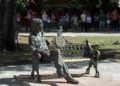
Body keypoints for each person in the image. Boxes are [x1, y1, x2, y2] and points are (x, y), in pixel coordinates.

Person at [29, 18, 79, 84]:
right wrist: (39, 51)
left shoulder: (42, 33)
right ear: (36, 26)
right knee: (57, 53)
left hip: (48, 54)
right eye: (41, 24)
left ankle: (63, 73)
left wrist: (51, 43)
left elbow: (47, 42)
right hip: (41, 56)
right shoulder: (32, 37)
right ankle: (66, 76)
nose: (42, 25)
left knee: (59, 56)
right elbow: (32, 48)